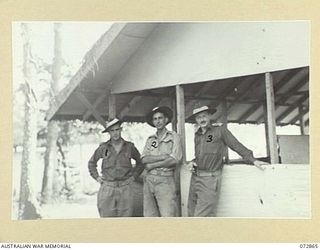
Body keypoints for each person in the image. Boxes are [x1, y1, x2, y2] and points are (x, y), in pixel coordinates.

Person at [187, 104, 267, 217]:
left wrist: (253, 160)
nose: (202, 119)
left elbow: (236, 145)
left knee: (201, 216)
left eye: (204, 116)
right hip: (195, 178)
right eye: (199, 117)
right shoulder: (198, 134)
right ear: (196, 120)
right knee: (191, 213)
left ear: (209, 116)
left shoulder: (220, 130)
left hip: (210, 179)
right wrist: (193, 161)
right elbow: (201, 154)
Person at [88, 118, 144, 217]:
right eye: (112, 131)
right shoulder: (103, 148)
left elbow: (140, 163)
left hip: (125, 187)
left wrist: (133, 177)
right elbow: (91, 163)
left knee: (125, 219)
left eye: (117, 130)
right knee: (107, 218)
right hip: (108, 187)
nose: (115, 133)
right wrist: (97, 178)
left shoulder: (129, 147)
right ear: (109, 132)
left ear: (121, 130)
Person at [141, 106, 183, 217]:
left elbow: (175, 159)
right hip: (149, 180)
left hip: (165, 180)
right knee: (150, 216)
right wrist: (163, 157)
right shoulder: (151, 139)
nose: (158, 121)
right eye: (155, 119)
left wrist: (152, 165)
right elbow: (144, 158)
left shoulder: (174, 137)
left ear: (165, 120)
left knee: (168, 215)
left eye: (160, 118)